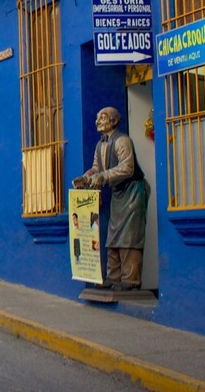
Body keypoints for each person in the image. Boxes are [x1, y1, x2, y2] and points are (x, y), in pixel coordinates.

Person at [72, 107, 149, 291]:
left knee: (129, 237)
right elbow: (96, 168)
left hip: (132, 191)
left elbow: (127, 168)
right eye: (97, 118)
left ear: (114, 121)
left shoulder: (122, 141)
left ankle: (130, 280)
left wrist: (103, 177)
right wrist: (86, 177)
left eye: (103, 118)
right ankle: (114, 277)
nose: (98, 121)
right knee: (113, 236)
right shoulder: (100, 145)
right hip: (118, 193)